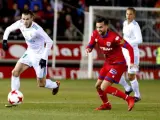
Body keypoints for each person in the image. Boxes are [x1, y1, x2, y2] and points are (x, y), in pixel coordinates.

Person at [2, 10, 60, 103]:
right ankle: (14, 95)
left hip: (40, 55)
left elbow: (50, 42)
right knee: (15, 72)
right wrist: (5, 40)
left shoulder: (37, 29)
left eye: (27, 19)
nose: (25, 21)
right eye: (23, 19)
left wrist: (44, 58)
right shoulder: (20, 23)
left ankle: (55, 85)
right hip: (29, 53)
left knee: (41, 84)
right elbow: (8, 29)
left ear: (32, 18)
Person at [85, 17, 135, 111]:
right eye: (97, 27)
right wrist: (88, 49)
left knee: (104, 87)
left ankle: (129, 99)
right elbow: (91, 43)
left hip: (118, 64)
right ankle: (106, 105)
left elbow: (130, 48)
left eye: (101, 27)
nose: (99, 29)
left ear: (107, 26)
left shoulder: (115, 37)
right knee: (98, 86)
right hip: (107, 64)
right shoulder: (95, 34)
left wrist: (131, 62)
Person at [119, 7, 142, 102]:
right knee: (116, 70)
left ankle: (137, 95)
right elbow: (125, 37)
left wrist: (128, 43)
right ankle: (127, 88)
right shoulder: (125, 23)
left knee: (131, 76)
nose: (128, 16)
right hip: (124, 51)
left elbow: (140, 40)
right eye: (127, 14)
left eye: (130, 14)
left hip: (133, 53)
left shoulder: (135, 26)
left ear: (134, 15)